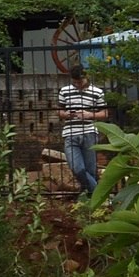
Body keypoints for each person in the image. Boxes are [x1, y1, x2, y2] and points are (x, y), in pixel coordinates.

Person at [57, 62, 108, 197]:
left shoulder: (97, 92)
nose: (78, 84)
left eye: (80, 81)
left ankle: (89, 198)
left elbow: (105, 113)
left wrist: (89, 114)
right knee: (77, 168)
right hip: (70, 133)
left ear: (87, 78)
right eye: (75, 82)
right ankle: (99, 194)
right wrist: (66, 114)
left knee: (91, 169)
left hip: (89, 132)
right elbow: (59, 112)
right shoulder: (64, 91)